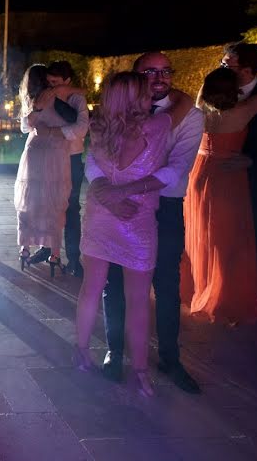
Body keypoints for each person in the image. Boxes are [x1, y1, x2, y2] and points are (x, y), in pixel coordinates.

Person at [98, 52, 203, 394]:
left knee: (167, 284)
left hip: (164, 208)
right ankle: (115, 352)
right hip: (119, 208)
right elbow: (96, 159)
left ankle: (171, 358)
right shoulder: (116, 111)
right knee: (114, 281)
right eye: (150, 71)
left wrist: (125, 188)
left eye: (165, 71)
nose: (159, 77)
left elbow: (176, 171)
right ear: (135, 75)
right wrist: (107, 192)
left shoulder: (190, 116)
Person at [74, 71, 173, 397]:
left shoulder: (99, 127)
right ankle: (141, 372)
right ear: (135, 99)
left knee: (91, 289)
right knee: (139, 301)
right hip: (137, 218)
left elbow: (97, 170)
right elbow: (181, 105)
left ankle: (81, 352)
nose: (151, 97)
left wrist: (111, 195)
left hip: (102, 213)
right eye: (145, 93)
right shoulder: (160, 125)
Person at [182, 67, 257, 325]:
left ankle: (197, 288)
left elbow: (202, 91)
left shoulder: (200, 110)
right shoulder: (241, 112)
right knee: (226, 241)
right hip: (227, 177)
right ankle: (222, 298)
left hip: (199, 174)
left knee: (200, 234)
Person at [24, 61, 89, 276]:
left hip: (70, 157)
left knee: (70, 208)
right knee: (45, 204)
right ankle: (47, 248)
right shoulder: (44, 97)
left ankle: (73, 259)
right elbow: (27, 126)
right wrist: (38, 110)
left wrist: (51, 133)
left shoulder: (76, 98)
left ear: (67, 81)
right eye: (49, 82)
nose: (51, 86)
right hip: (46, 158)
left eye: (55, 82)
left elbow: (80, 129)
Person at [221, 42, 257, 296]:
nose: (221, 66)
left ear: (247, 70)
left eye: (227, 63)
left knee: (254, 231)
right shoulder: (218, 88)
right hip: (220, 176)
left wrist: (253, 160)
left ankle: (253, 292)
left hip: (255, 177)